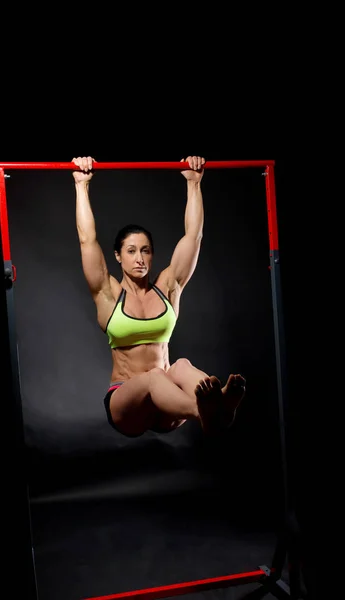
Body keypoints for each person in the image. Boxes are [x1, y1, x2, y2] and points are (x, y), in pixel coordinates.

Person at [72, 155, 246, 438]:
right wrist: (81, 185)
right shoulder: (107, 293)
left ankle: (215, 406)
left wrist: (194, 183)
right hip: (128, 406)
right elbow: (86, 239)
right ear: (117, 256)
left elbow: (194, 236)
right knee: (153, 377)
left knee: (180, 365)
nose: (139, 258)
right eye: (131, 251)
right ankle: (208, 410)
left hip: (169, 406)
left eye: (145, 250)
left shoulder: (168, 287)